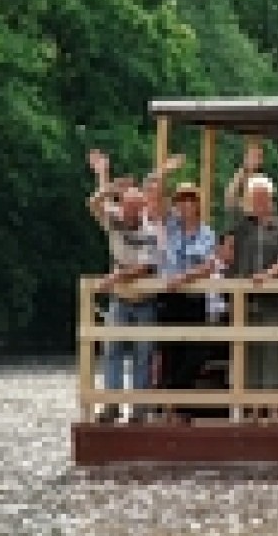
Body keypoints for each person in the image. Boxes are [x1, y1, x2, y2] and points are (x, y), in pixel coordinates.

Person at [224, 142, 278, 422]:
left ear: (270, 199)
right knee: (249, 354)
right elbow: (229, 197)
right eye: (253, 197)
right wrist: (246, 170)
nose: (257, 202)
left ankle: (273, 410)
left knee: (273, 353)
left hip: (275, 301)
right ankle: (252, 411)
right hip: (244, 301)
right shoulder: (242, 224)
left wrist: (268, 275)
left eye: (261, 197)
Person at [86, 149, 159, 423]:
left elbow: (143, 268)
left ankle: (138, 409)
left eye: (134, 207)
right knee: (112, 351)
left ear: (141, 209)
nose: (129, 211)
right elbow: (93, 204)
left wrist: (115, 277)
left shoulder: (149, 231)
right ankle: (112, 405)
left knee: (143, 354)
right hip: (120, 299)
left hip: (143, 299)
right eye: (126, 205)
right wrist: (106, 180)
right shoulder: (114, 217)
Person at [158, 182, 216, 421]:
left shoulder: (206, 233)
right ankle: (170, 407)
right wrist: (163, 174)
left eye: (190, 200)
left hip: (194, 298)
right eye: (181, 200)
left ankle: (180, 403)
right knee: (170, 351)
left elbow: (208, 266)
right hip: (171, 298)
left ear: (197, 205)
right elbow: (155, 202)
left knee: (196, 351)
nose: (185, 205)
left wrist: (183, 277)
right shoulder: (169, 227)